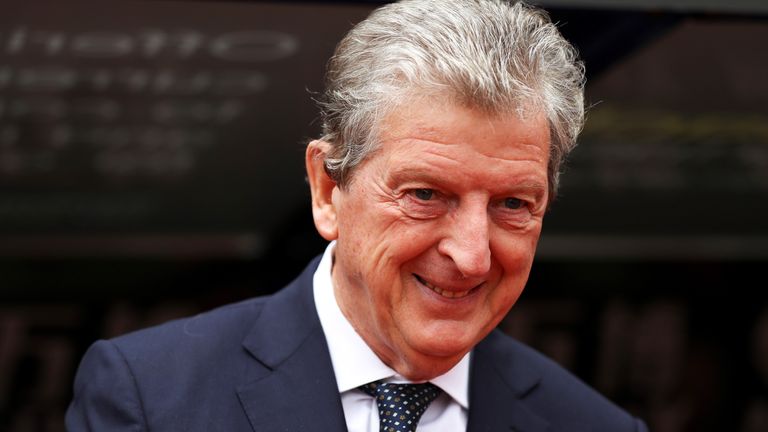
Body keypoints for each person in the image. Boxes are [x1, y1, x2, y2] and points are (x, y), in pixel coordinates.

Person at [66, 1, 649, 431]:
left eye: (513, 205)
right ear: (327, 189)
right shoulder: (152, 398)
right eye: (425, 195)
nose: (472, 254)